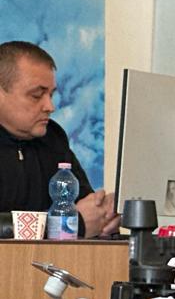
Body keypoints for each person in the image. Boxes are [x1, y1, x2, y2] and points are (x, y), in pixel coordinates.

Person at [0, 41, 120, 238]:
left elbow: (85, 207)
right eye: (36, 95)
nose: (50, 106)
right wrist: (70, 225)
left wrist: (105, 215)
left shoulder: (52, 138)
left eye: (51, 94)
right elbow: (79, 220)